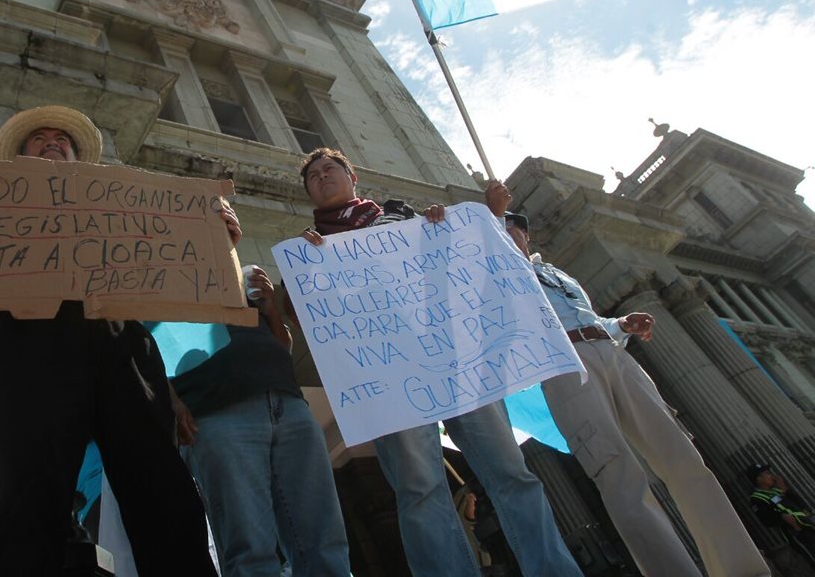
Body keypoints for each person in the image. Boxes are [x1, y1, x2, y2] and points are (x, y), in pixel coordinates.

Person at [0, 105, 225, 576]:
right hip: (30, 349)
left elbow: (181, 262)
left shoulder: (122, 204)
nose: (53, 141)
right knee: (29, 497)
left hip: (123, 347)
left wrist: (214, 238)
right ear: (19, 155)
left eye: (62, 138)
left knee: (162, 490)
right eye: (39, 138)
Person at [295, 147, 581, 577]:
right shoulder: (306, 250)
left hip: (457, 359)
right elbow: (302, 317)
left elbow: (462, 262)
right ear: (310, 195)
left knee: (512, 474)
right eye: (313, 176)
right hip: (392, 376)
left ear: (352, 176)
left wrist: (443, 226)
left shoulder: (399, 217)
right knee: (419, 491)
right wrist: (304, 274)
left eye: (329, 168)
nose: (322, 176)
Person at [499, 206, 772, 577]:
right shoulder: (495, 275)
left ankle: (742, 569)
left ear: (527, 235)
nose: (511, 232)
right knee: (618, 474)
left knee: (683, 458)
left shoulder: (555, 272)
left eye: (515, 227)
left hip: (613, 355)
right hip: (566, 367)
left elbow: (589, 318)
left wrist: (622, 324)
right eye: (501, 227)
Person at [171, 265, 351, 576]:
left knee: (325, 542)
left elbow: (283, 350)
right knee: (250, 551)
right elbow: (137, 341)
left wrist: (269, 309)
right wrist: (169, 400)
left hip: (287, 402)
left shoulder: (236, 276)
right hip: (215, 411)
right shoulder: (149, 272)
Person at [747, 463, 815, 562]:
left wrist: (785, 489)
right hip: (797, 532)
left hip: (807, 523)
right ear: (759, 479)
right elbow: (766, 520)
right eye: (767, 473)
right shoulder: (757, 498)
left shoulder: (776, 489)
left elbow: (798, 503)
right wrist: (783, 517)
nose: (771, 476)